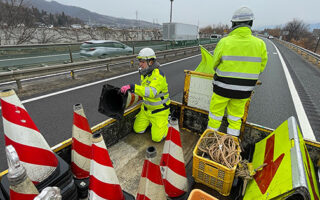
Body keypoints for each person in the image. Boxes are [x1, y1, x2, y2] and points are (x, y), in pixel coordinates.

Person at [207, 6, 268, 136]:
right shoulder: (260, 44)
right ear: (251, 23)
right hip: (244, 91)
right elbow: (261, 67)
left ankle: (210, 140)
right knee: (235, 118)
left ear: (233, 24)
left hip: (222, 87)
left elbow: (214, 64)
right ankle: (230, 146)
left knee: (215, 115)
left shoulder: (224, 42)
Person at [120, 47, 170, 142]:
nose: (140, 64)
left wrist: (133, 87)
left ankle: (166, 121)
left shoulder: (158, 75)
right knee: (138, 129)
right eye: (140, 61)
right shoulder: (145, 74)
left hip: (159, 112)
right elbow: (144, 91)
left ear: (150, 62)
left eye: (142, 62)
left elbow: (151, 92)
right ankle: (152, 123)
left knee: (156, 138)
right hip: (146, 110)